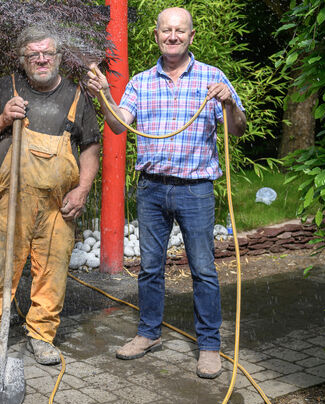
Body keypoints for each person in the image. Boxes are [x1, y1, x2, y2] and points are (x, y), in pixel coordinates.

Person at [85, 7, 247, 379]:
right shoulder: (141, 82)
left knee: (203, 270)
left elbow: (237, 129)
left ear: (191, 36)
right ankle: (148, 334)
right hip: (152, 189)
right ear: (156, 36)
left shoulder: (213, 77)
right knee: (150, 267)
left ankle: (209, 345)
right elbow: (118, 125)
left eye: (180, 31)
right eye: (166, 30)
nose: (172, 36)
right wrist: (106, 94)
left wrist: (229, 102)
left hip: (196, 190)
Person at [0, 25, 101, 369]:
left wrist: (82, 189)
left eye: (47, 53)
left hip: (58, 206)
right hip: (10, 201)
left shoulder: (77, 96)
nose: (41, 59)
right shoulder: (7, 88)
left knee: (52, 273)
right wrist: (2, 118)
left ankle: (41, 335)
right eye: (33, 54)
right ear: (22, 59)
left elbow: (90, 148)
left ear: (58, 57)